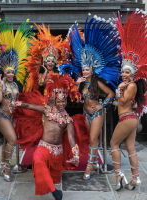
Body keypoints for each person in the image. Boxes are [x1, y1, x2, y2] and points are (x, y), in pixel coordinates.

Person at [60, 16, 121, 180]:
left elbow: (111, 93)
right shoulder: (80, 84)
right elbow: (75, 98)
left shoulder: (97, 83)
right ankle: (93, 162)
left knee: (94, 138)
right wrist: (75, 85)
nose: (85, 71)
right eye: (84, 69)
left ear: (92, 70)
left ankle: (90, 166)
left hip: (97, 114)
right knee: (91, 140)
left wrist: (103, 105)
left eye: (87, 69)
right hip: (86, 114)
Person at [10, 72, 88, 200]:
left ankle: (53, 186)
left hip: (57, 153)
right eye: (59, 101)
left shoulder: (68, 120)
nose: (62, 104)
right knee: (37, 159)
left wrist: (76, 154)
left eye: (64, 101)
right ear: (55, 101)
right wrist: (16, 103)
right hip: (44, 147)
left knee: (54, 178)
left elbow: (71, 139)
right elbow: (29, 106)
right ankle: (55, 193)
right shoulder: (46, 110)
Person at [0, 19, 33, 181]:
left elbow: (17, 99)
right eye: (8, 72)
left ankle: (2, 164)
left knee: (7, 140)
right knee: (13, 140)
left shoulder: (16, 84)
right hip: (1, 114)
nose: (10, 74)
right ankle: (7, 166)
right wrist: (0, 86)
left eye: (12, 72)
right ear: (4, 72)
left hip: (12, 116)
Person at [110, 10, 147, 192]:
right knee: (130, 147)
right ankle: (136, 179)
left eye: (127, 72)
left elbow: (124, 102)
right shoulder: (129, 85)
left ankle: (118, 175)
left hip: (126, 118)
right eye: (123, 72)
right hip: (131, 119)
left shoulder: (131, 85)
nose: (124, 75)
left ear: (132, 73)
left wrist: (118, 91)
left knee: (113, 144)